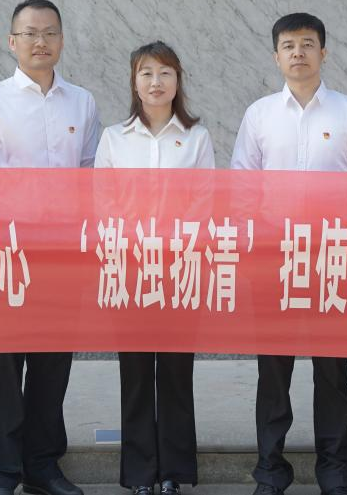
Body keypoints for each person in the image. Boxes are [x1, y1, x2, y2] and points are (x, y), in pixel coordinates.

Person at [231, 12, 347, 495]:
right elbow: (243, 188)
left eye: (308, 44)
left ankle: (334, 473)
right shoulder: (259, 114)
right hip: (274, 260)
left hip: (331, 258)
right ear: (276, 56)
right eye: (289, 45)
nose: (298, 52)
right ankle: (270, 472)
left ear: (324, 53)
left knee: (332, 371)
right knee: (273, 372)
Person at [0, 0, 101, 495]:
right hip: (7, 251)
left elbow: (90, 176)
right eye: (29, 33)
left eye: (49, 32)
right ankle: (1, 473)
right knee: (3, 364)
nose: (40, 42)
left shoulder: (81, 102)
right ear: (12, 42)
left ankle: (42, 466)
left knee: (52, 363)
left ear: (61, 40)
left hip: (61, 253)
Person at [95, 41, 215, 495]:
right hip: (129, 269)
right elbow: (104, 204)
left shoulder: (197, 138)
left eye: (165, 72)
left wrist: (176, 244)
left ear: (178, 81)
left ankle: (174, 472)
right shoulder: (114, 138)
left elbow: (205, 202)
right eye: (146, 73)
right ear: (134, 82)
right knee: (136, 373)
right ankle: (140, 474)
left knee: (177, 373)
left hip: (182, 268)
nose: (156, 82)